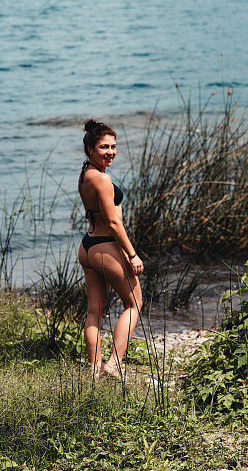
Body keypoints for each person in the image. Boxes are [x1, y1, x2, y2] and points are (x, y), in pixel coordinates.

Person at [77, 119, 144, 380]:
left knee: (95, 309)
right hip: (105, 247)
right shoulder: (102, 180)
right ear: (90, 149)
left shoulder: (86, 174)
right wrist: (132, 254)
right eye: (104, 147)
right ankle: (114, 365)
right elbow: (114, 222)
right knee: (134, 303)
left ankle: (94, 369)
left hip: (87, 246)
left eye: (114, 146)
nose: (111, 152)